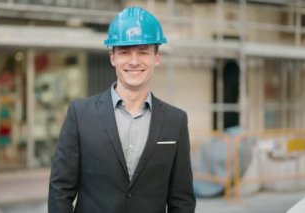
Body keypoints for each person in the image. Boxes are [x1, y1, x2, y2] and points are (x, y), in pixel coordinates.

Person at [48, 6, 196, 213]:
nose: (134, 61)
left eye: (143, 52)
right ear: (113, 57)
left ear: (157, 57)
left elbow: (182, 200)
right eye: (125, 52)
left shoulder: (176, 121)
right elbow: (60, 191)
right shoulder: (80, 115)